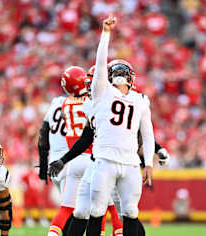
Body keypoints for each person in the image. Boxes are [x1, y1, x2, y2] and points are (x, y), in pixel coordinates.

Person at [48, 66, 170, 236]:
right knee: (88, 210)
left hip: (112, 162)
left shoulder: (112, 101)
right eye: (88, 83)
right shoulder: (93, 103)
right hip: (97, 163)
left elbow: (140, 130)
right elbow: (86, 137)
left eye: (93, 82)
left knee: (118, 210)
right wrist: (63, 159)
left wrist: (156, 149)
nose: (90, 87)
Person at [89, 12, 155, 236]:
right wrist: (105, 34)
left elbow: (148, 135)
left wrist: (149, 164)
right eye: (115, 72)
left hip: (129, 163)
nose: (118, 75)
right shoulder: (102, 92)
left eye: (121, 72)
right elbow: (99, 65)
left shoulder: (140, 100)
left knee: (130, 211)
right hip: (106, 159)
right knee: (97, 210)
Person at [38, 66, 86, 236]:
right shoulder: (85, 102)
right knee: (77, 212)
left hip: (55, 164)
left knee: (70, 211)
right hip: (72, 160)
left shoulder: (56, 102)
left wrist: (43, 166)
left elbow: (43, 136)